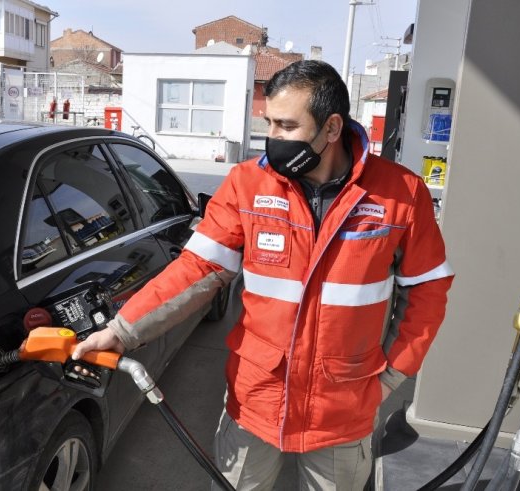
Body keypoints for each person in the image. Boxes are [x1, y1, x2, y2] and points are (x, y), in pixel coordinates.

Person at [73, 60, 454, 490]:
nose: (273, 138)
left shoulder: (400, 194)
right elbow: (198, 268)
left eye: (287, 126)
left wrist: (392, 377)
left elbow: (428, 290)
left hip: (343, 410)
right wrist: (122, 331)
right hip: (256, 400)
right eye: (269, 122)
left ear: (331, 128)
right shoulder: (246, 185)